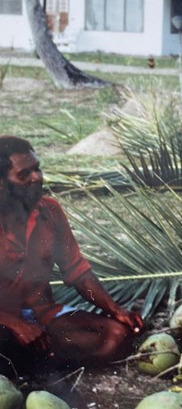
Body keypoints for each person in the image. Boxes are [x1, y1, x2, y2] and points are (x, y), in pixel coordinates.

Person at [0, 135, 144, 375]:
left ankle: (30, 363)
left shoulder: (50, 210)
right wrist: (14, 323)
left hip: (40, 314)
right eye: (24, 175)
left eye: (37, 168)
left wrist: (115, 309)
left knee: (115, 337)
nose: (36, 177)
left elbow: (77, 272)